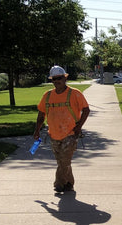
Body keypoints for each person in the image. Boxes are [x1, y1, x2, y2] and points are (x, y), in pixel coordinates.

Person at [33, 66, 90, 194]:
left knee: (65, 160)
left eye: (59, 78)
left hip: (70, 133)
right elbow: (41, 114)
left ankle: (58, 184)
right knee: (62, 161)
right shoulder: (47, 96)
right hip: (53, 134)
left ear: (65, 78)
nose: (57, 81)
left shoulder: (74, 93)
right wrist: (37, 130)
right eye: (54, 79)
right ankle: (69, 183)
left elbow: (86, 110)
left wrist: (79, 127)